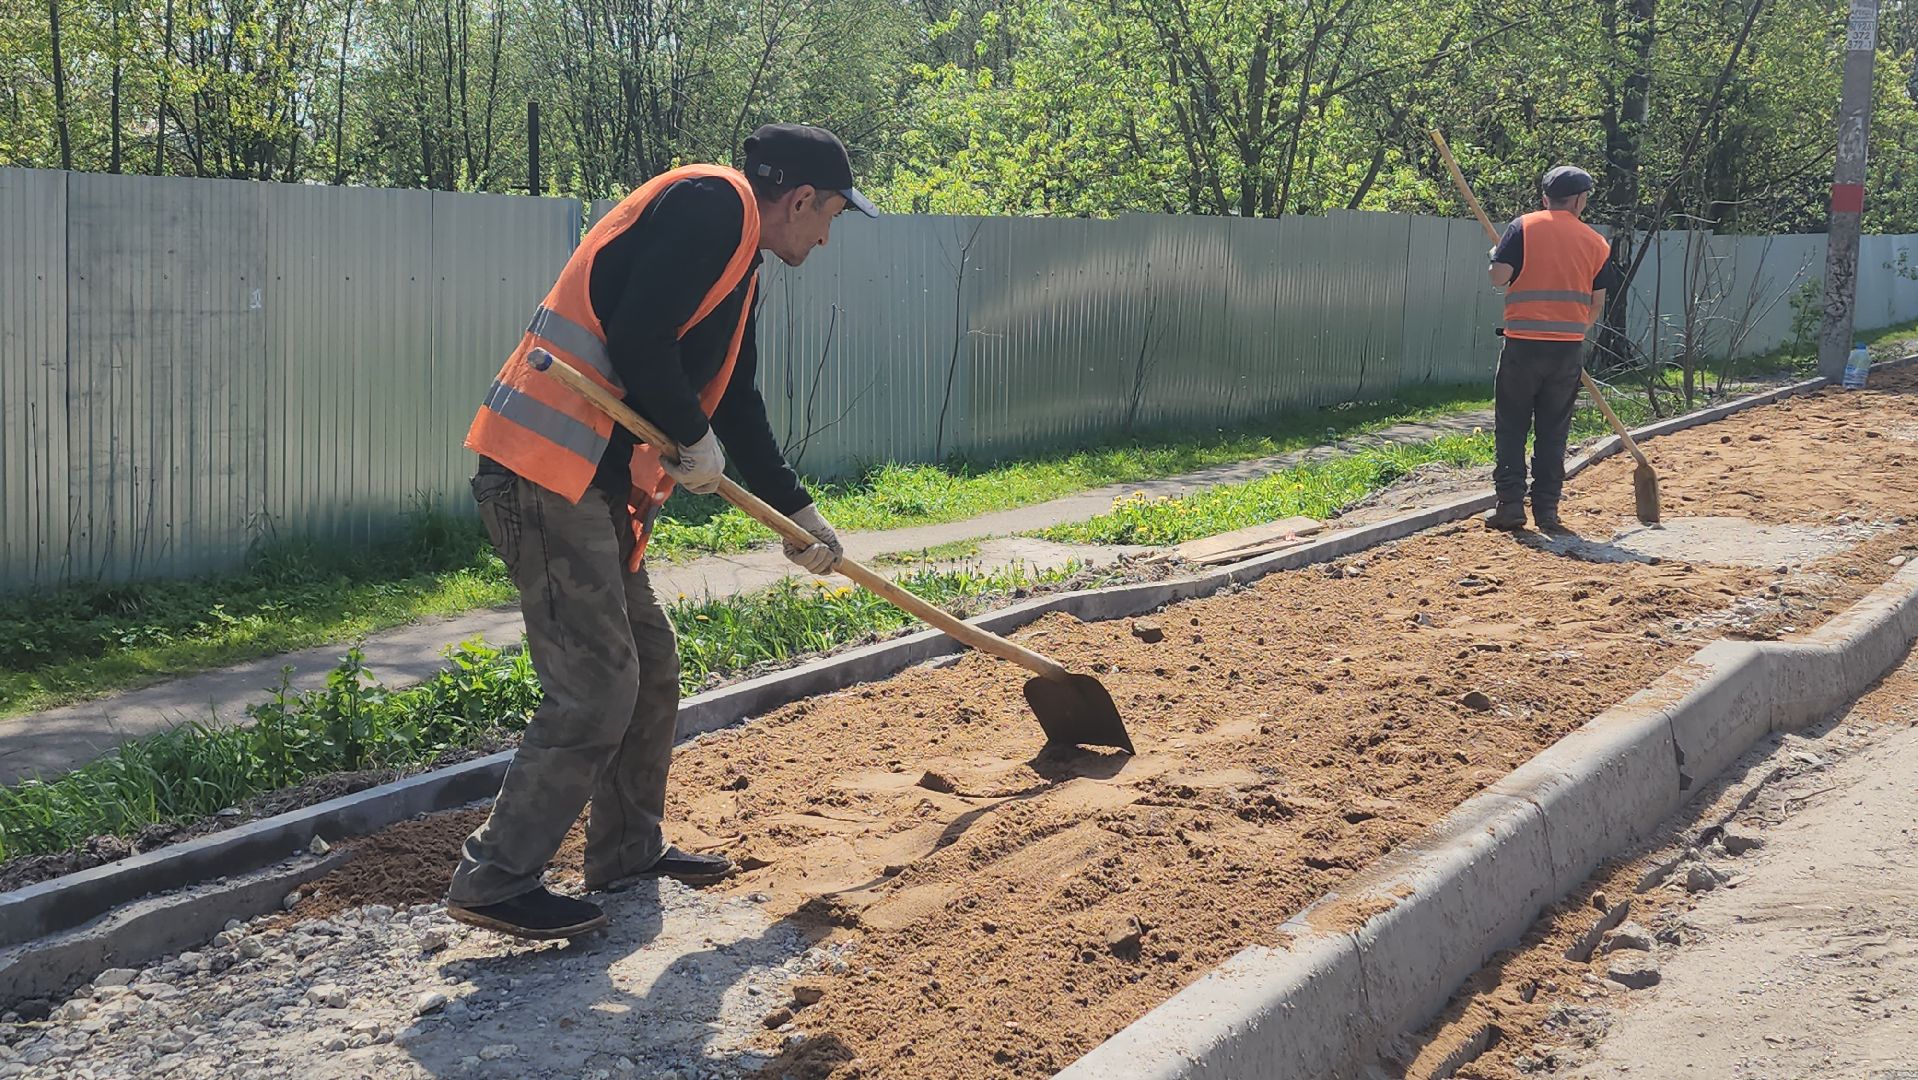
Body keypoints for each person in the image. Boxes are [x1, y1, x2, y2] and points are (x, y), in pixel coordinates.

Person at [447, 123, 878, 940]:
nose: (826, 237)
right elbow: (639, 334)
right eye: (831, 218)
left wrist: (799, 514)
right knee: (599, 682)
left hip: (594, 488)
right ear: (800, 199)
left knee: (649, 668)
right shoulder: (710, 206)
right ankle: (496, 878)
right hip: (543, 472)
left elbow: (737, 400)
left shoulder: (738, 257)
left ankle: (626, 851)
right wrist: (688, 431)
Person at [1484, 165, 1621, 532]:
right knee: (1553, 431)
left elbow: (1499, 278)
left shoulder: (1523, 227)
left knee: (1511, 426)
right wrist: (1570, 329)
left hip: (1522, 347)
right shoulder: (1597, 243)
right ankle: (1547, 510)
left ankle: (1510, 504)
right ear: (1579, 201)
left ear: (1546, 198)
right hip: (1566, 352)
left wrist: (1496, 254)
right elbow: (1595, 306)